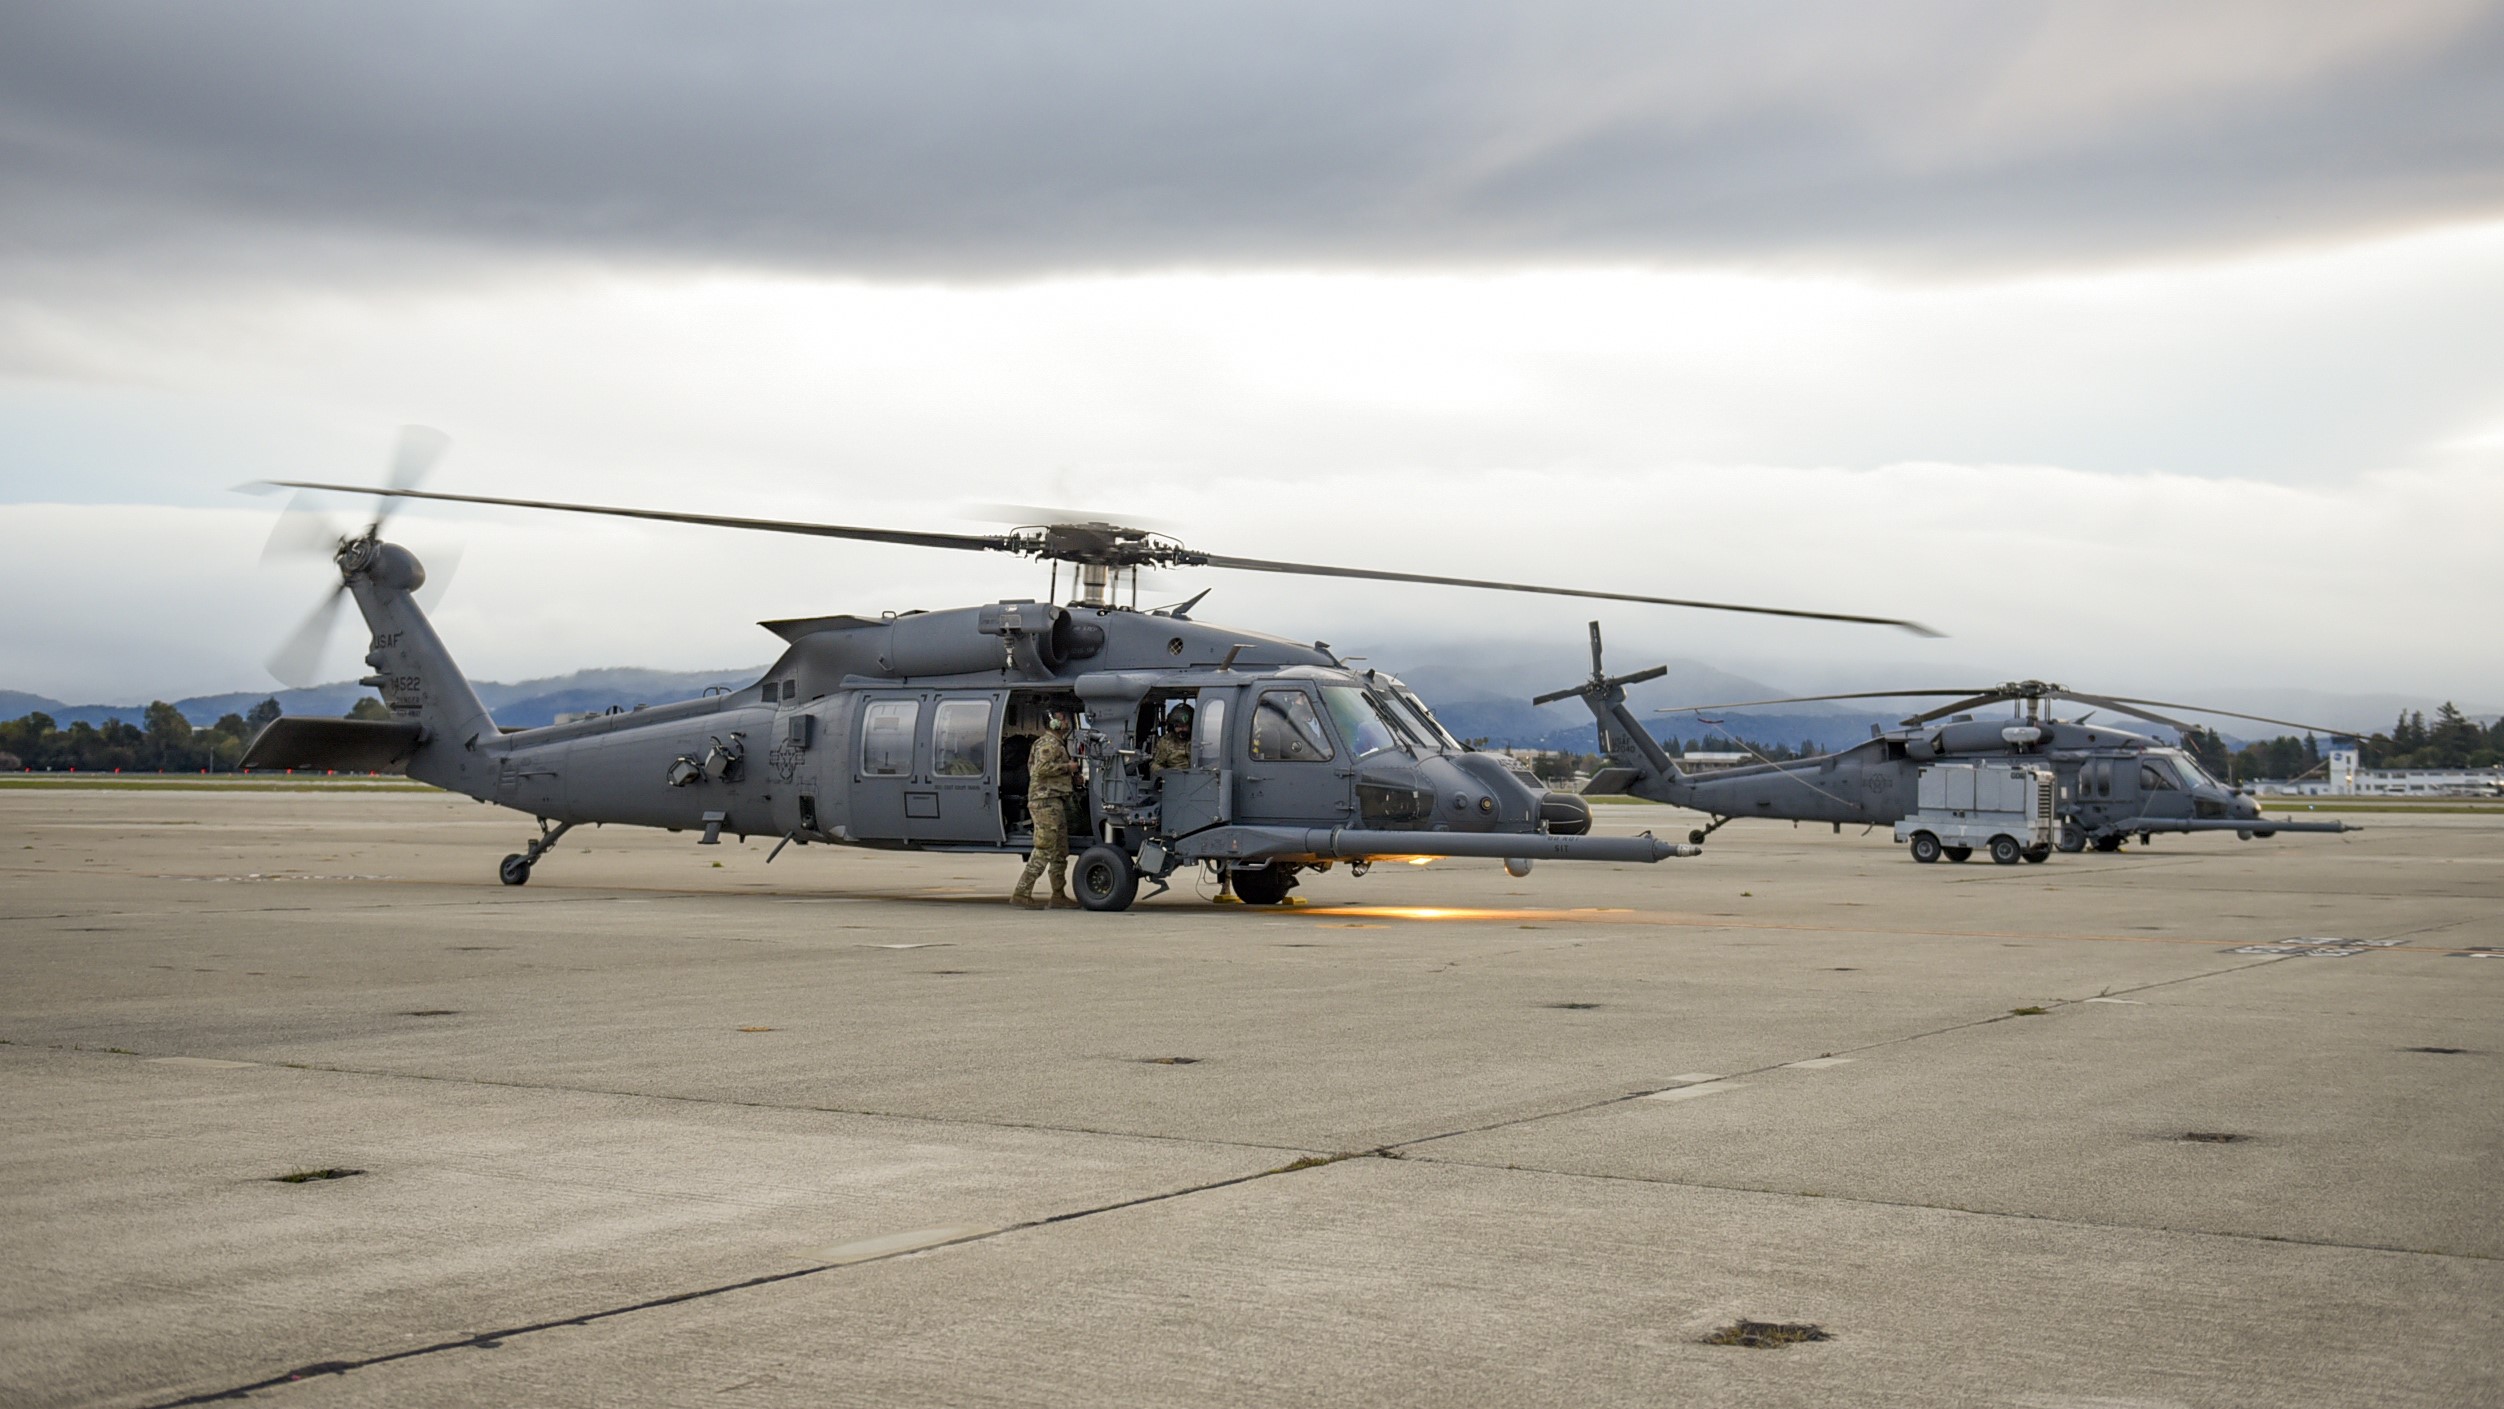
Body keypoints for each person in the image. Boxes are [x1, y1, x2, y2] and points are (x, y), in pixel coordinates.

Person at [1013, 710, 1079, 909]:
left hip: (1055, 801)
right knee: (1044, 848)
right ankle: (1022, 892)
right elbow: (1041, 769)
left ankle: (1058, 895)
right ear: (1053, 723)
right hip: (1045, 802)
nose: (1066, 721)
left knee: (1060, 851)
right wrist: (1067, 768)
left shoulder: (1057, 744)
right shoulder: (1047, 744)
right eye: (1062, 718)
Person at [1150, 702, 1194, 775]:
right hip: (1175, 780)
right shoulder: (1166, 742)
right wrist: (1166, 773)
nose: (1180, 729)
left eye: (1184, 726)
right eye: (1177, 726)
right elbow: (1155, 764)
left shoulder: (1199, 740)